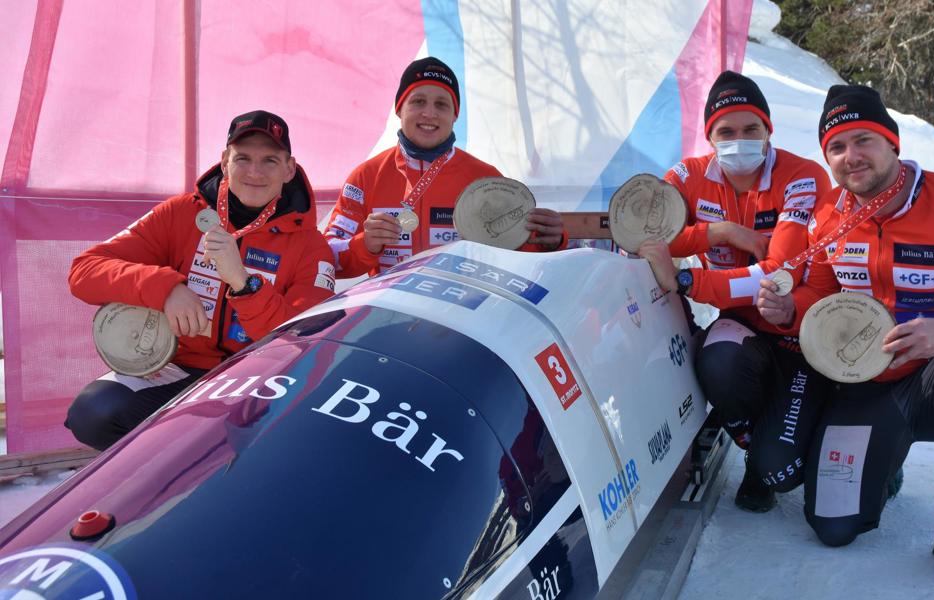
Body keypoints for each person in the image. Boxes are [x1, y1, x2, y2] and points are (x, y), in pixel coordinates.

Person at [756, 84, 934, 592]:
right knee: (833, 527)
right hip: (866, 383)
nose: (850, 157)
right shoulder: (828, 218)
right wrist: (784, 308)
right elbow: (817, 298)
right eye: (836, 148)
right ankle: (887, 460)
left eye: (863, 140)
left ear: (893, 142)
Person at [66, 110, 336, 451]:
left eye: (269, 160)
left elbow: (304, 341)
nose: (254, 172)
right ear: (224, 162)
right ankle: (164, 482)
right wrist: (165, 289)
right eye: (243, 159)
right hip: (179, 368)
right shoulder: (180, 213)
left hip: (259, 379)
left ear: (289, 169)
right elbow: (85, 270)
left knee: (297, 441)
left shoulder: (311, 246)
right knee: (95, 412)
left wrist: (244, 283)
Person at [639, 71, 832, 512]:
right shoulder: (686, 175)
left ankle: (824, 429)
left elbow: (776, 274)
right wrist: (720, 232)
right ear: (710, 136)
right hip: (739, 324)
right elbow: (648, 236)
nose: (739, 140)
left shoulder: (802, 176)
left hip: (796, 327)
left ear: (769, 131)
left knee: (786, 471)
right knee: (719, 362)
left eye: (751, 130)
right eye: (726, 131)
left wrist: (689, 279)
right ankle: (754, 452)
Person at [324, 57, 568, 277]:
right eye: (418, 101)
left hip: (460, 313)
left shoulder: (484, 178)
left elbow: (519, 253)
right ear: (399, 109)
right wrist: (365, 244)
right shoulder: (366, 177)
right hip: (389, 313)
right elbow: (327, 260)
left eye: (441, 105)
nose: (429, 113)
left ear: (455, 116)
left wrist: (550, 241)